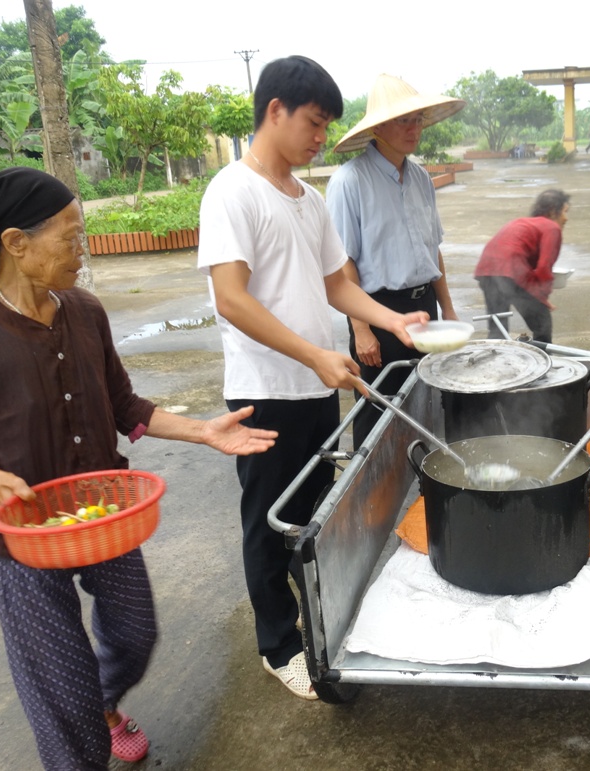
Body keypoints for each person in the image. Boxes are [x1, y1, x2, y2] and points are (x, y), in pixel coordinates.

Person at [0, 167, 278, 771]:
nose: (82, 250)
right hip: (17, 535)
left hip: (103, 512)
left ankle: (100, 702)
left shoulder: (85, 311)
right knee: (59, 692)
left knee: (134, 634)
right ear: (15, 243)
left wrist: (204, 430)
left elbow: (124, 405)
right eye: (69, 239)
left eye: (83, 236)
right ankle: (80, 731)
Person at [198, 57, 428, 700]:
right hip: (264, 391)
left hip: (312, 388)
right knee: (268, 523)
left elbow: (336, 284)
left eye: (327, 125)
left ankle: (322, 627)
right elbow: (232, 300)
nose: (321, 136)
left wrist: (394, 321)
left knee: (311, 517)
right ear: (275, 110)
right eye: (314, 122)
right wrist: (314, 354)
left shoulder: (309, 198)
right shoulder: (232, 192)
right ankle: (279, 646)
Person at [325, 73, 465, 448]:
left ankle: (419, 487)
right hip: (377, 312)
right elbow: (342, 263)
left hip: (423, 307)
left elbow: (432, 248)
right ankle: (370, 496)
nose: (413, 128)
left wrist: (447, 309)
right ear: (378, 128)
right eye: (403, 120)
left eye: (417, 119)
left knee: (423, 401)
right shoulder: (349, 182)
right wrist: (361, 329)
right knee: (377, 409)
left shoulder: (420, 178)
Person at [474, 189, 570, 343]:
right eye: (565, 212)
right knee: (542, 326)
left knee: (497, 329)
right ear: (553, 211)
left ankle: (495, 363)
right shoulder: (551, 227)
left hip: (486, 270)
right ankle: (543, 362)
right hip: (511, 271)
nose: (566, 218)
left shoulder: (521, 222)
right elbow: (544, 268)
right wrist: (543, 298)